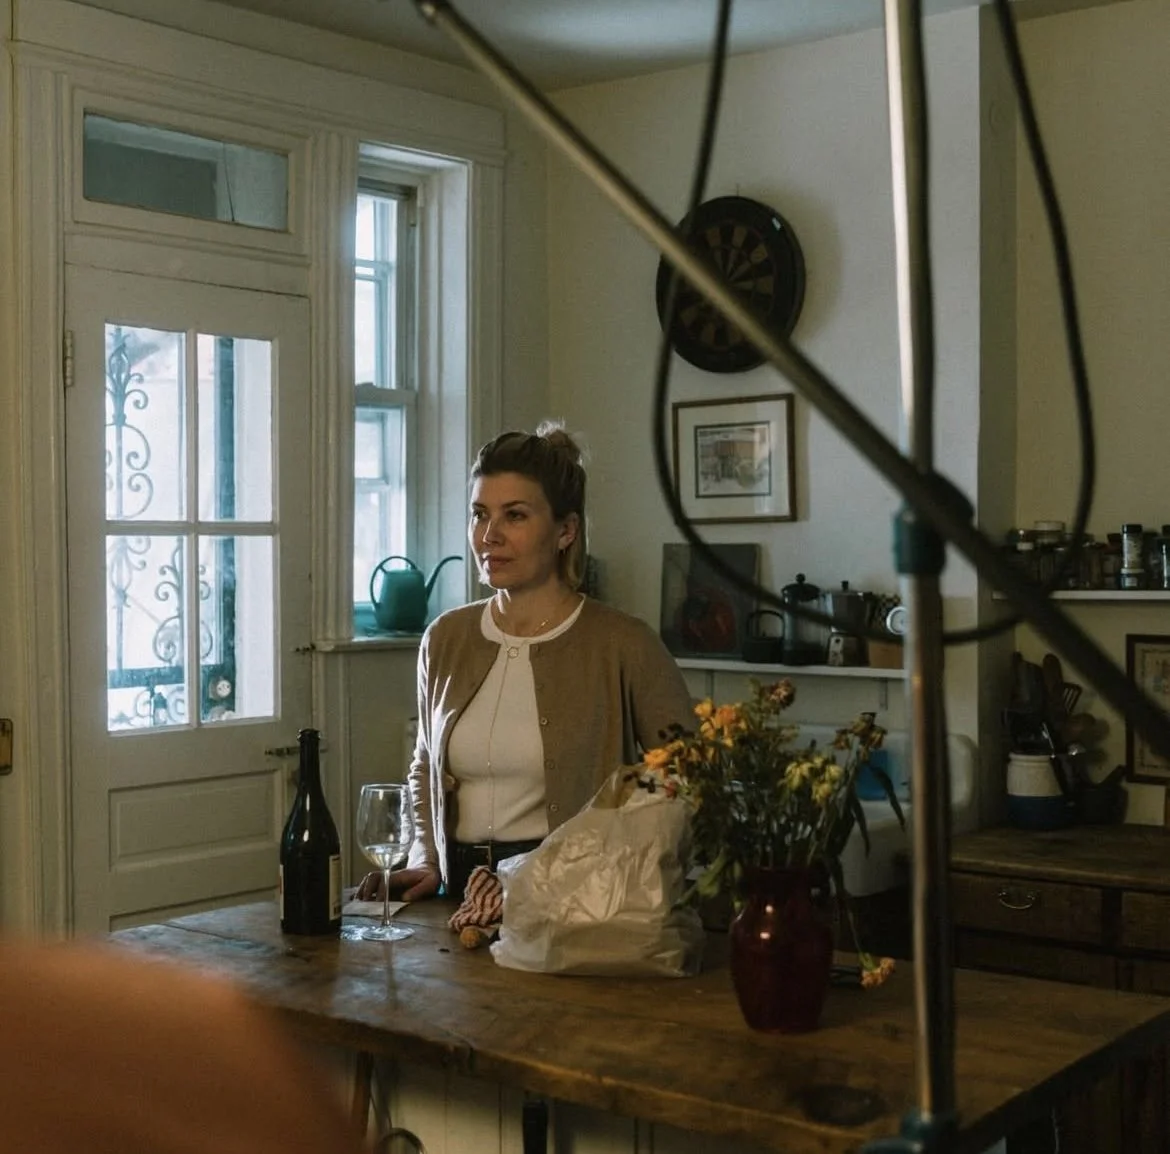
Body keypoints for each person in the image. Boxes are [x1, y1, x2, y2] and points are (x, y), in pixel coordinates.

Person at [359, 421, 693, 902]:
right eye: (479, 515)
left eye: (514, 516)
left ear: (566, 531)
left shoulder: (624, 644)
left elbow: (682, 780)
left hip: (576, 904)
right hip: (456, 897)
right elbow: (426, 763)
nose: (488, 536)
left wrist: (620, 875)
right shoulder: (445, 638)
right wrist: (424, 858)